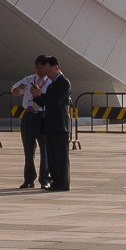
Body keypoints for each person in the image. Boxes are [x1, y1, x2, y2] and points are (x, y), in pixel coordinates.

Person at [37, 55, 73, 194]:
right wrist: (37, 95)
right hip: (51, 124)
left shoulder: (64, 82)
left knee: (60, 156)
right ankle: (55, 181)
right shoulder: (52, 83)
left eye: (49, 71)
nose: (47, 74)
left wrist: (42, 95)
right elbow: (46, 102)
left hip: (60, 125)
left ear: (56, 67)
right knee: (51, 155)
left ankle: (62, 183)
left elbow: (56, 101)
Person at [10, 58, 45, 189]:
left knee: (44, 149)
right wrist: (19, 89)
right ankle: (29, 178)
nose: (40, 71)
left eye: (42, 68)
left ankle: (44, 179)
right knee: (28, 149)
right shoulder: (30, 79)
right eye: (38, 68)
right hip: (29, 114)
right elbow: (14, 92)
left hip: (43, 115)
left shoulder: (51, 81)